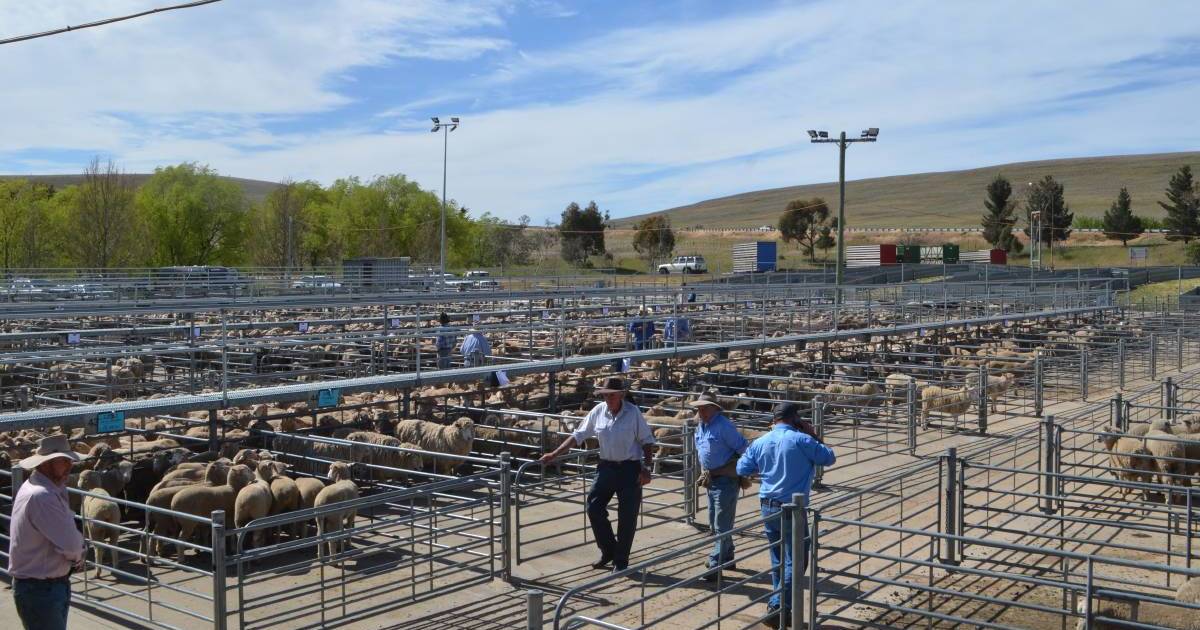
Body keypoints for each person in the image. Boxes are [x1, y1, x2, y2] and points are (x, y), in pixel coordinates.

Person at [538, 376, 655, 573]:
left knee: (627, 516)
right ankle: (608, 549)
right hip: (607, 467)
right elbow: (578, 435)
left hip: (630, 468)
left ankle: (621, 560)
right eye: (605, 395)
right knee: (594, 506)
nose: (608, 398)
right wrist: (555, 454)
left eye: (611, 395)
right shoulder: (598, 411)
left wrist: (647, 468)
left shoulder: (633, 412)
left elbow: (647, 441)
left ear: (621, 395)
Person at [736, 402, 835, 628]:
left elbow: (742, 469)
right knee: (797, 560)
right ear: (795, 418)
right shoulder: (802, 440)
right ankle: (777, 604)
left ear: (774, 419)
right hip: (793, 508)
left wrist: (766, 469)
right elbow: (829, 458)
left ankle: (783, 607)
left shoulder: (760, 442)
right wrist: (813, 434)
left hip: (767, 505)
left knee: (778, 557)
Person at [8, 434, 85, 630]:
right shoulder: (42, 496)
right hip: (41, 590)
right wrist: (78, 555)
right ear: (45, 464)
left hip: (46, 587)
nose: (69, 465)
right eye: (62, 461)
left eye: (69, 460)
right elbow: (70, 544)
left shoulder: (49, 488)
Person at [688, 393, 749, 582]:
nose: (701, 411)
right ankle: (727, 555)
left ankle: (715, 563)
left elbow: (743, 448)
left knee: (721, 523)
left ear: (715, 408)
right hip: (711, 479)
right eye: (699, 408)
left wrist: (739, 468)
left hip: (726, 479)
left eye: (705, 407)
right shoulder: (702, 425)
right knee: (716, 521)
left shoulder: (724, 426)